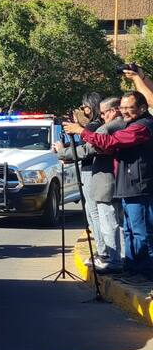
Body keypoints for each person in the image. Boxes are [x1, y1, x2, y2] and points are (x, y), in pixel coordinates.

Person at [66, 91, 153, 278]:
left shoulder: (141, 127)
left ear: (143, 108)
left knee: (140, 231)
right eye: (122, 108)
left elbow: (110, 142)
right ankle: (130, 268)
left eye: (129, 108)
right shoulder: (129, 125)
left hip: (139, 186)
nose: (124, 112)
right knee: (129, 230)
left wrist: (81, 131)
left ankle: (144, 272)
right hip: (126, 184)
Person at [59, 97, 123, 271]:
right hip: (112, 180)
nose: (102, 116)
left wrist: (64, 151)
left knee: (107, 222)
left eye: (104, 113)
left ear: (114, 110)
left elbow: (89, 149)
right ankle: (112, 257)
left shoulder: (108, 128)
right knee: (111, 221)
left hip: (106, 180)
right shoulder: (116, 126)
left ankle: (111, 259)